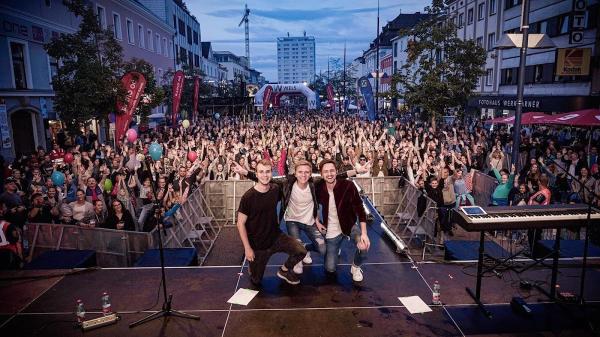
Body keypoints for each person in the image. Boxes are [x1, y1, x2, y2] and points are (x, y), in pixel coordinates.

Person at [236, 159, 307, 286]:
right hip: (259, 245)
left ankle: (284, 271)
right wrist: (247, 248)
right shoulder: (248, 197)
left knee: (301, 251)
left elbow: (290, 186)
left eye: (268, 172)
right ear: (256, 174)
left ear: (272, 173)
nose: (265, 175)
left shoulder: (275, 189)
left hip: (276, 237)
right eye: (261, 172)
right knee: (256, 281)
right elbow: (240, 223)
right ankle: (253, 267)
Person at [316, 159, 369, 282]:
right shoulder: (319, 188)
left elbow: (360, 209)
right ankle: (309, 248)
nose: (329, 174)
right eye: (326, 172)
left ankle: (355, 267)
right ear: (321, 174)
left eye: (332, 171)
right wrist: (317, 221)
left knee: (364, 246)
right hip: (331, 230)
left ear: (337, 171)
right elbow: (314, 206)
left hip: (349, 225)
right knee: (330, 269)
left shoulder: (348, 186)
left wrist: (364, 233)